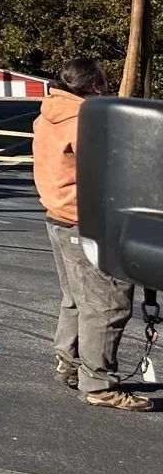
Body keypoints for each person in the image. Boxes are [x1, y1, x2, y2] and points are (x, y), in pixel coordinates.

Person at [34, 58, 152, 411]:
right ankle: (98, 384)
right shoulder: (86, 123)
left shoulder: (47, 115)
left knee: (76, 299)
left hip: (58, 217)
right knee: (108, 304)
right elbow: (116, 171)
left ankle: (69, 362)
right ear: (96, 86)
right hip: (85, 223)